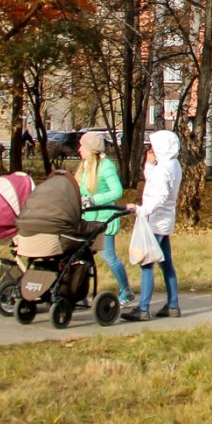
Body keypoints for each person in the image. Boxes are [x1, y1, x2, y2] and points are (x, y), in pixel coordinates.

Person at [123, 129, 182, 321]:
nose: (151, 149)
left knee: (146, 262)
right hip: (164, 221)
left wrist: (142, 209)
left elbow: (160, 194)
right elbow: (154, 182)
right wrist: (149, 165)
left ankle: (143, 309)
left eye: (154, 146)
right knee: (166, 263)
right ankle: (173, 305)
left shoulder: (164, 168)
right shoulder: (172, 165)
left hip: (156, 220)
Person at [77, 131, 131, 307]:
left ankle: (126, 291)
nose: (79, 150)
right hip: (87, 219)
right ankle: (79, 295)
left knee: (109, 256)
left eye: (82, 147)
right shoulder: (85, 166)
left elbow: (117, 192)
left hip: (104, 219)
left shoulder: (106, 166)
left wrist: (94, 199)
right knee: (81, 258)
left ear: (91, 149)